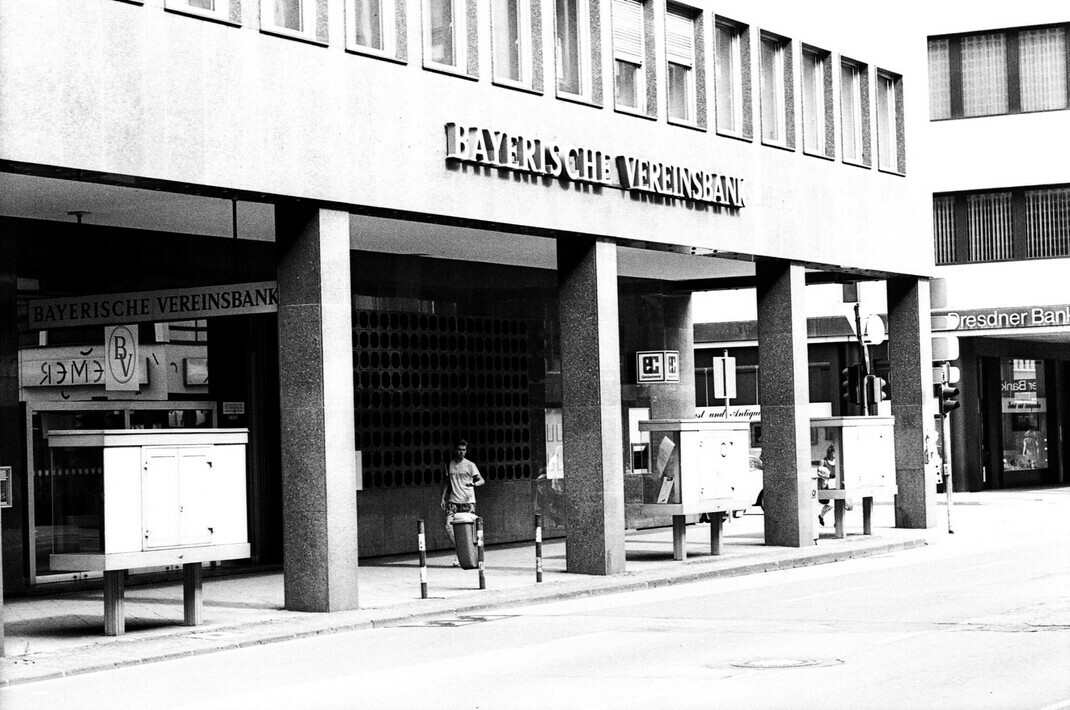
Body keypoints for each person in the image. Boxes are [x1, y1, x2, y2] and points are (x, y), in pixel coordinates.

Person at [440, 439, 484, 544]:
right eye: (459, 450)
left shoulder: (470, 465)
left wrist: (474, 484)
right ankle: (460, 550)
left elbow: (481, 480)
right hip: (454, 500)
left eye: (464, 450)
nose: (462, 452)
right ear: (455, 450)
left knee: (469, 528)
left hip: (467, 501)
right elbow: (447, 482)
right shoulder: (450, 464)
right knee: (449, 526)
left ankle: (470, 551)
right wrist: (442, 498)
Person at [817, 445, 836, 527]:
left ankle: (836, 522)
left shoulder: (837, 461)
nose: (835, 454)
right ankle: (821, 516)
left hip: (835, 484)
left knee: (837, 503)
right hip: (826, 485)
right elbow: (819, 473)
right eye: (834, 452)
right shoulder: (823, 461)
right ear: (830, 452)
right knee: (830, 505)